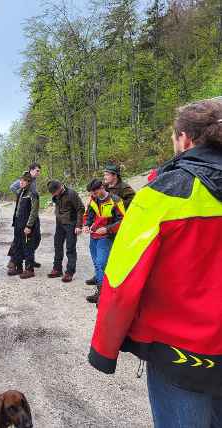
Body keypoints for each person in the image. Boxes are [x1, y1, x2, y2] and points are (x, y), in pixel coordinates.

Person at [88, 100, 222, 427]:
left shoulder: (160, 194)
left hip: (183, 356)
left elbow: (122, 279)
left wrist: (104, 350)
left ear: (185, 139)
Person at [82, 179, 125, 304]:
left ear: (101, 188)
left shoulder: (116, 200)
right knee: (96, 263)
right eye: (92, 193)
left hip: (106, 237)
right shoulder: (93, 199)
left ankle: (102, 295)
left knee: (101, 264)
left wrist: (107, 229)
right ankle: (99, 291)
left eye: (94, 193)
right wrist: (86, 225)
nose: (93, 195)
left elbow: (123, 221)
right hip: (93, 236)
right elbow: (88, 215)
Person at [46, 180, 84, 283]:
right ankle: (57, 269)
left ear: (60, 188)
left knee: (70, 248)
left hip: (71, 224)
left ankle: (69, 272)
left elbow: (80, 208)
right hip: (59, 224)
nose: (54, 195)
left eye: (55, 192)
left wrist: (79, 225)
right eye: (52, 193)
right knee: (57, 245)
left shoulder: (71, 194)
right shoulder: (56, 195)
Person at [8, 163, 42, 269]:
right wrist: (20, 194)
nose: (38, 173)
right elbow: (12, 187)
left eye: (39, 171)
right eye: (37, 170)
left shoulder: (33, 181)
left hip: (31, 212)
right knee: (20, 240)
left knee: (36, 237)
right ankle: (13, 261)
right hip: (24, 215)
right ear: (31, 170)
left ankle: (29, 259)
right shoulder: (25, 179)